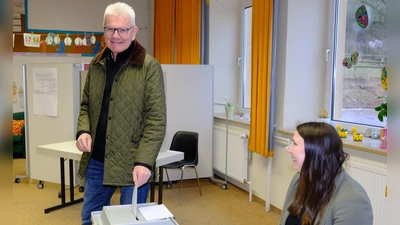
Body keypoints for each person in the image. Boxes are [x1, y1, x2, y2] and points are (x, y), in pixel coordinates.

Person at [75, 2, 166, 225]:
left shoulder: (149, 67)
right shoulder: (96, 64)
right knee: (90, 219)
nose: (116, 35)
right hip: (96, 159)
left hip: (132, 162)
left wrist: (145, 162)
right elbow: (86, 105)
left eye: (123, 29)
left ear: (134, 31)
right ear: (103, 31)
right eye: (110, 29)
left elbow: (156, 120)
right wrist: (83, 130)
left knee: (129, 221)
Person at [279, 122, 373, 225]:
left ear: (316, 151)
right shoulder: (299, 179)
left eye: (295, 144)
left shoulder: (353, 200)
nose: (289, 150)